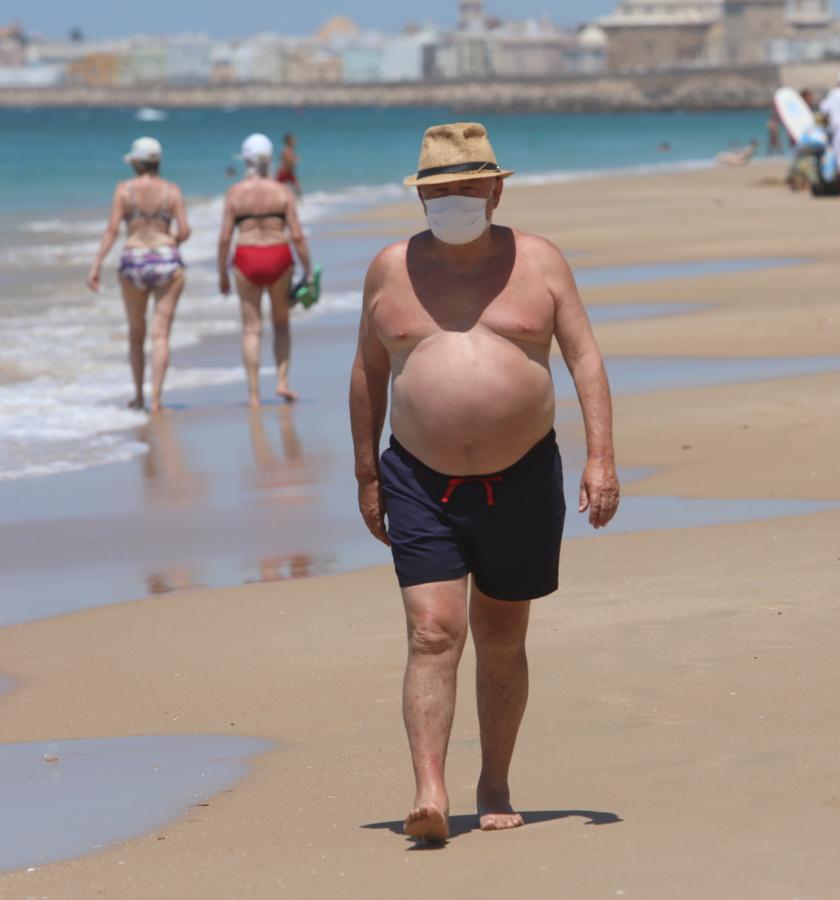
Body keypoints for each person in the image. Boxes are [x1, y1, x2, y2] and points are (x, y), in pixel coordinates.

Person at [349, 122, 619, 844]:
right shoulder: (388, 269)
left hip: (522, 477)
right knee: (433, 630)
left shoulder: (540, 263)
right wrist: (365, 471)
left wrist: (601, 458)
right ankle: (429, 790)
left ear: (497, 188)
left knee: (501, 635)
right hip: (417, 478)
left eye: (468, 187)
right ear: (421, 196)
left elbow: (584, 359)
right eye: (440, 190)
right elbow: (368, 373)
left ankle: (494, 778)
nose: (455, 199)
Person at [87, 137, 190, 413]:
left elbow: (111, 231)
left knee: (136, 332)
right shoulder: (172, 191)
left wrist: (96, 264)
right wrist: (172, 243)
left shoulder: (124, 191)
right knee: (161, 335)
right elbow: (185, 230)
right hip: (166, 258)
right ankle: (156, 400)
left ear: (135, 162)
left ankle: (138, 396)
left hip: (133, 259)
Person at [218, 133, 312, 405]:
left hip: (246, 257)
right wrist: (307, 269)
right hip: (278, 256)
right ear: (270, 159)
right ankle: (282, 382)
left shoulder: (235, 193)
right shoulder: (282, 191)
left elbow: (225, 237)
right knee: (281, 324)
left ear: (245, 159)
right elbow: (297, 234)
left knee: (251, 328)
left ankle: (254, 394)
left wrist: (223, 272)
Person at [276, 132, 301, 199]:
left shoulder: (290, 150)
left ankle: (299, 202)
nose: (296, 142)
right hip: (284, 172)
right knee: (278, 188)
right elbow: (288, 162)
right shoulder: (287, 150)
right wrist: (295, 161)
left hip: (289, 172)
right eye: (294, 140)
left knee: (297, 187)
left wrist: (294, 160)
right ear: (289, 141)